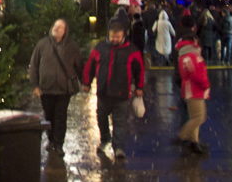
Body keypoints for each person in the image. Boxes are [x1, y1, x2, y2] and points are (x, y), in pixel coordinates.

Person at [82, 19, 146, 161]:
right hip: (103, 92)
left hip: (122, 93)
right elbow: (90, 65)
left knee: (120, 121)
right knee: (101, 118)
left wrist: (140, 86)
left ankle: (118, 147)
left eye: (117, 36)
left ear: (124, 35)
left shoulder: (132, 50)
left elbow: (140, 70)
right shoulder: (100, 48)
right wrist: (86, 82)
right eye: (112, 36)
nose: (115, 39)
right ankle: (105, 139)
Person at [29, 18, 85, 159]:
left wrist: (85, 81)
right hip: (46, 89)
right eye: (55, 25)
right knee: (48, 116)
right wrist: (35, 85)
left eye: (60, 27)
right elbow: (34, 65)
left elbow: (79, 65)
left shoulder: (71, 47)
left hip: (63, 89)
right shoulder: (42, 44)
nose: (56, 28)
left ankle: (59, 143)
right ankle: (51, 139)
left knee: (60, 116)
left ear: (65, 31)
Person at [174, 13, 210, 155]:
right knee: (197, 116)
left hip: (182, 82)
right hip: (192, 87)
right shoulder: (192, 48)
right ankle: (185, 137)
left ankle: (193, 141)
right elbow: (196, 73)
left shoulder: (179, 41)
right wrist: (205, 85)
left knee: (191, 113)